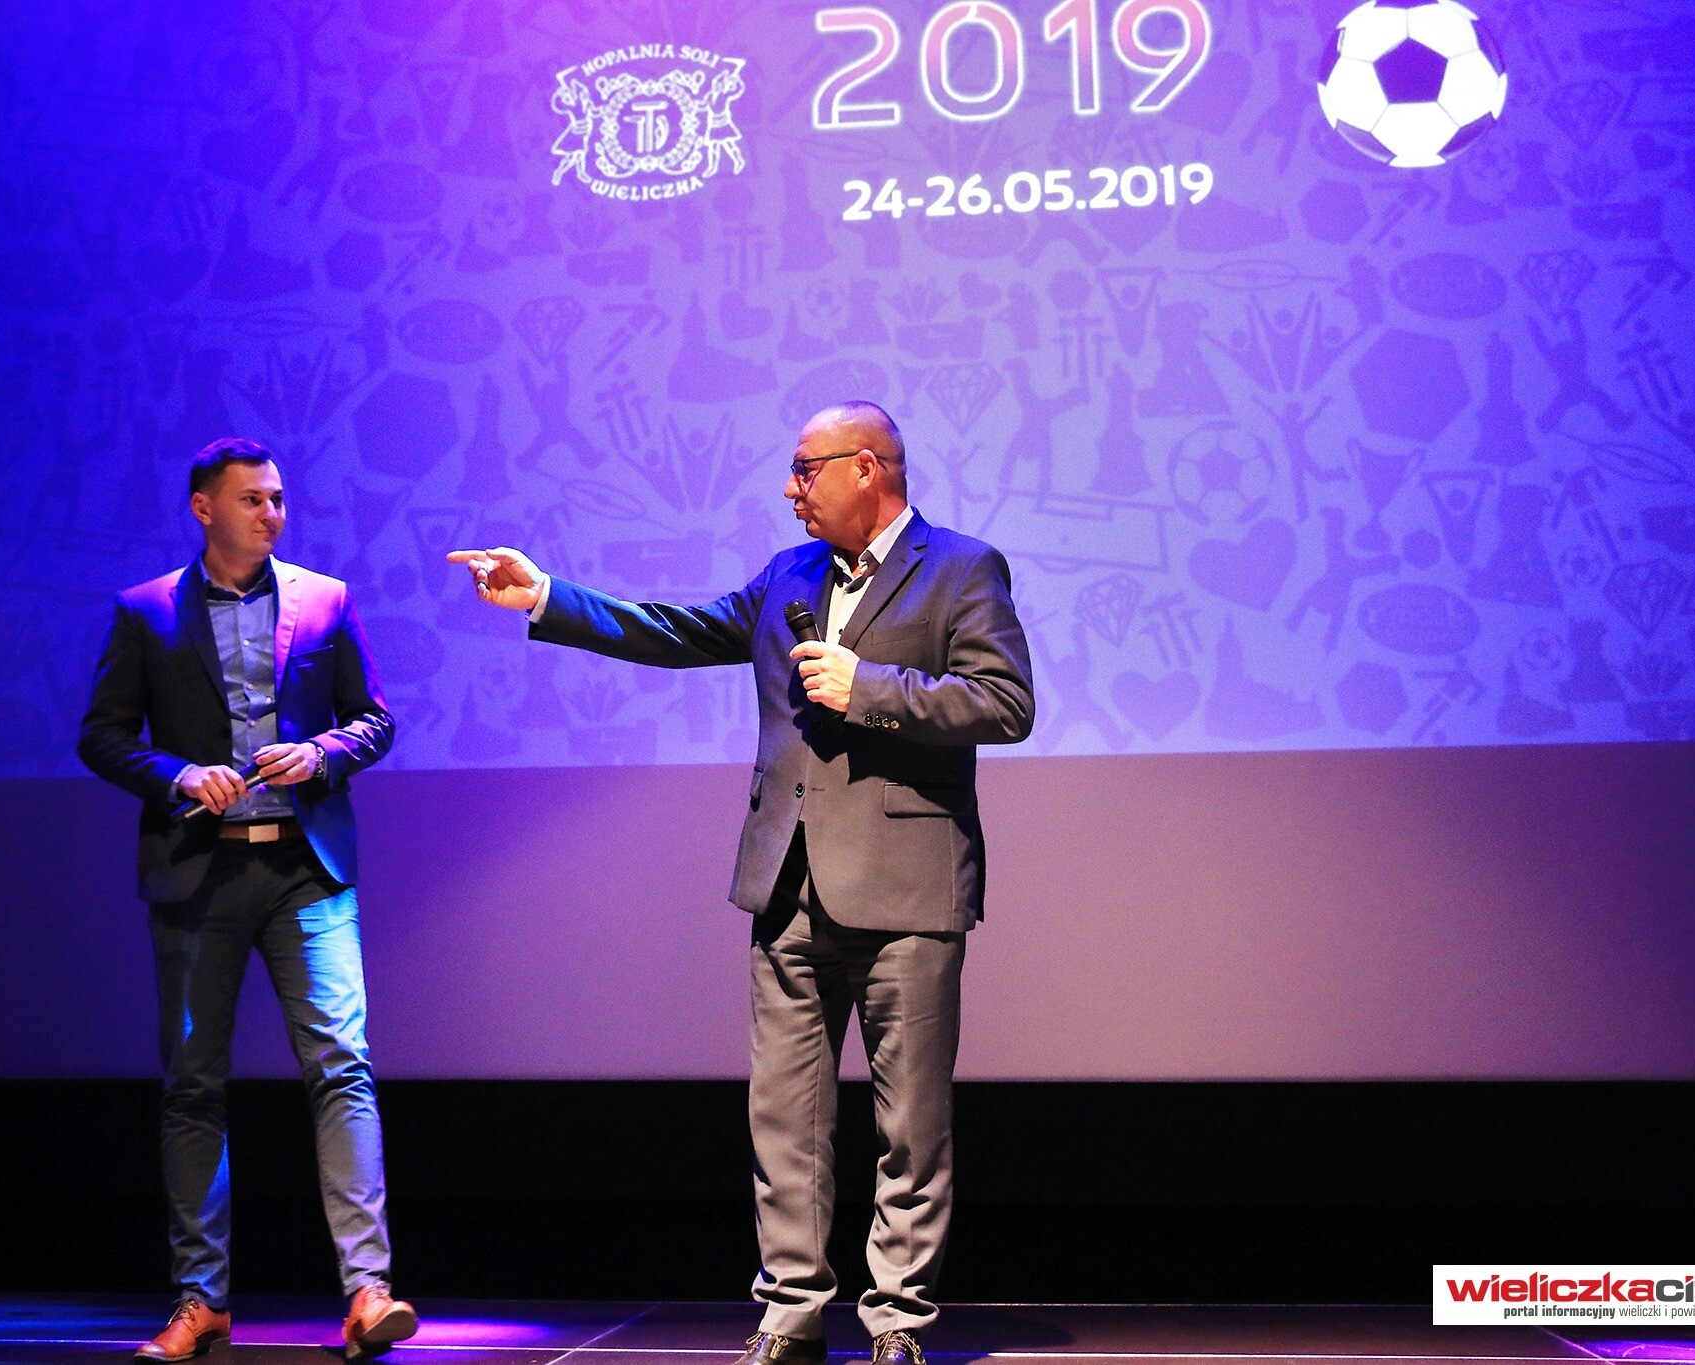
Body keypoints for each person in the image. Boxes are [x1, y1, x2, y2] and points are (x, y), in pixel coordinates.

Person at [451, 402, 1035, 1365]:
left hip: (908, 888)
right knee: (784, 1119)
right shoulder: (789, 572)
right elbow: (680, 631)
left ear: (867, 468)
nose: (790, 487)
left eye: (806, 468)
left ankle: (897, 1319)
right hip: (786, 883)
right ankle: (791, 1312)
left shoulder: (964, 568)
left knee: (910, 1124)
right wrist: (546, 595)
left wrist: (869, 688)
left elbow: (1005, 702)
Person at [78, 438, 417, 1360]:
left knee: (343, 1066)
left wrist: (322, 753)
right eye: (253, 499)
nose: (273, 513)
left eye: (278, 498)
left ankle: (368, 1290)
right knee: (193, 1083)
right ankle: (202, 1298)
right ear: (204, 508)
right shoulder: (147, 609)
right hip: (202, 871)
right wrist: (179, 774)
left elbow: (376, 719)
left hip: (308, 871)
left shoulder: (326, 598)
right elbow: (103, 736)